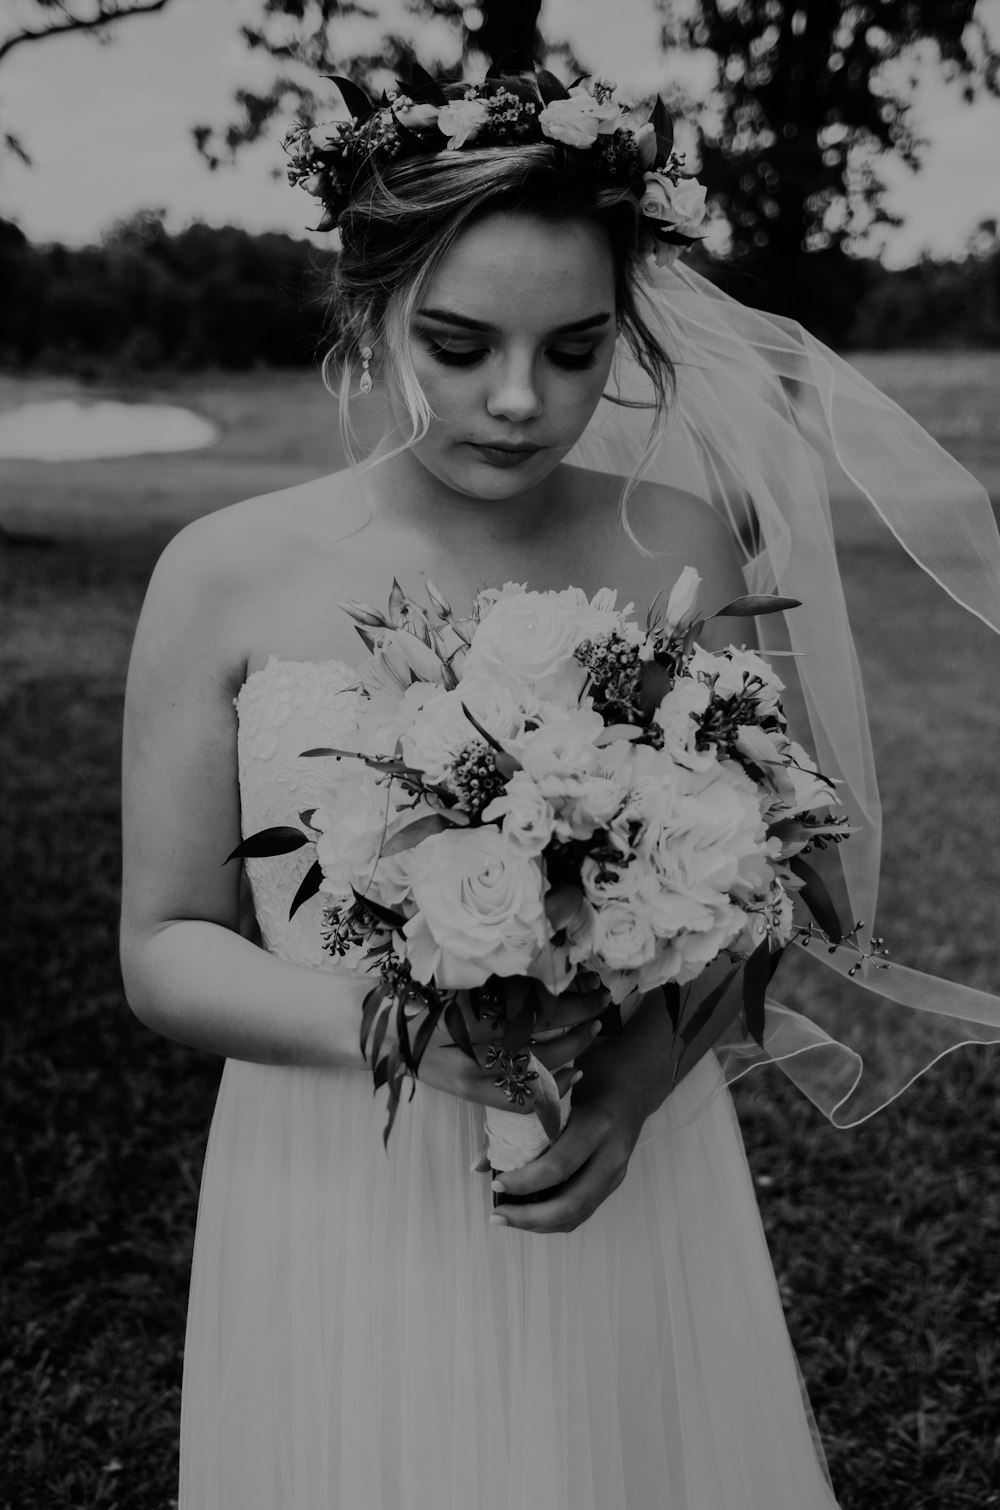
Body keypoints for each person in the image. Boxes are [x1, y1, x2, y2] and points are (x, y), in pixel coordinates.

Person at [119, 70, 1000, 1510]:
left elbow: (764, 872)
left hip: (623, 1157)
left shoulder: (683, 543)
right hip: (336, 1165)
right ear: (375, 309)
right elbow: (163, 943)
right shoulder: (221, 572)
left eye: (576, 349)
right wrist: (418, 1032)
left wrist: (642, 1078)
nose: (519, 400)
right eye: (460, 346)